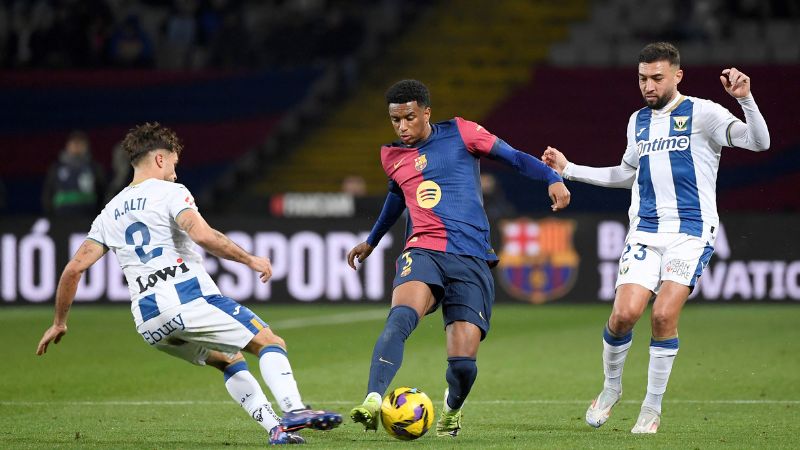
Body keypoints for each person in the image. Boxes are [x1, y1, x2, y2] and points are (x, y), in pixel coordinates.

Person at [36, 122, 341, 445]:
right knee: (268, 341)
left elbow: (73, 270)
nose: (175, 175)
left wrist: (59, 322)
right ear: (159, 159)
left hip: (148, 321)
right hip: (185, 297)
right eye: (173, 165)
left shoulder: (108, 213)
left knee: (228, 359)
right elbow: (203, 235)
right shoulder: (171, 193)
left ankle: (275, 429)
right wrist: (250, 260)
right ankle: (293, 410)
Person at [542, 42, 770, 434]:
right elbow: (628, 174)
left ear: (677, 76)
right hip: (645, 231)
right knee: (623, 316)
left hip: (691, 232)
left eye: (657, 78)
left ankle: (652, 406)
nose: (648, 86)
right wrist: (570, 169)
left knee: (663, 315)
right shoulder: (637, 121)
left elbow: (758, 142)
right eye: (642, 79)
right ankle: (611, 388)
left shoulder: (704, 113)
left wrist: (745, 99)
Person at [346, 79, 571, 437]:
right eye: (395, 120)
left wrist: (550, 177)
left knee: (463, 364)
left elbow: (512, 156)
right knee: (400, 318)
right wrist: (372, 241)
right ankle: (373, 399)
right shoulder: (391, 156)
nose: (402, 127)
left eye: (409, 117)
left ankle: (452, 409)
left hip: (470, 256)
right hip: (423, 249)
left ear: (426, 113)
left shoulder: (462, 133)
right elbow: (397, 197)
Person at [41, 130, 107, 216]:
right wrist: (52, 216)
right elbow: (47, 194)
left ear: (86, 146)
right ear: (67, 146)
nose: (77, 146)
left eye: (80, 143)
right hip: (61, 219)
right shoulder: (56, 168)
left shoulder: (94, 168)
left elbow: (103, 194)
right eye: (74, 143)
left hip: (89, 218)